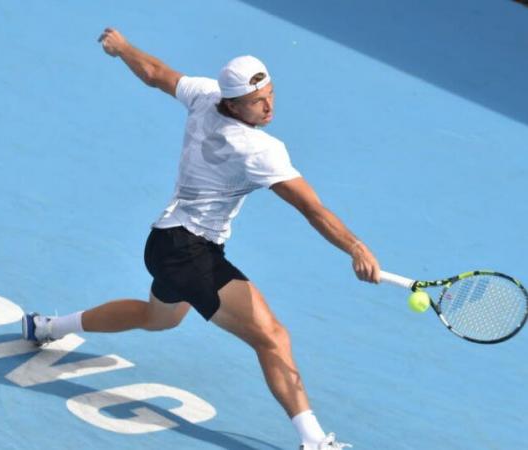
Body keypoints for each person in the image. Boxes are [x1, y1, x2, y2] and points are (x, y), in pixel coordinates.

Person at [22, 27, 380, 450]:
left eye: (270, 94)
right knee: (272, 336)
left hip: (165, 243)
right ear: (232, 103)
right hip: (189, 249)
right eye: (255, 102)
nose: (267, 106)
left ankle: (46, 327)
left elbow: (155, 72)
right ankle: (316, 442)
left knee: (158, 319)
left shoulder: (205, 95)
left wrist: (122, 49)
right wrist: (355, 247)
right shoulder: (258, 149)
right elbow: (310, 208)